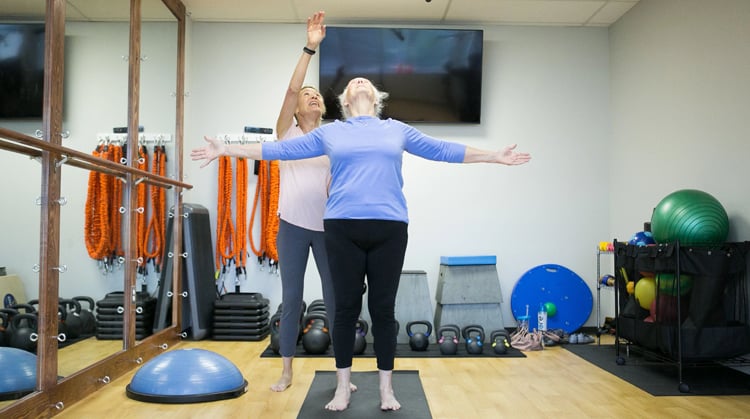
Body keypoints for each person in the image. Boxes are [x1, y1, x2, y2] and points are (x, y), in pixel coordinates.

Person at [191, 76, 531, 412]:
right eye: (354, 82)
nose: (359, 81)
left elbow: (442, 149)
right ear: (345, 100)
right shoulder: (332, 132)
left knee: (383, 311)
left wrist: (493, 156)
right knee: (345, 310)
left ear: (375, 97)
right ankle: (342, 387)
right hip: (341, 228)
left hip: (390, 227)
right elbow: (280, 149)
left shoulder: (396, 129)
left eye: (364, 81)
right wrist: (227, 149)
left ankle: (386, 389)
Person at [269, 11, 338, 393]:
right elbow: (291, 91)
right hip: (293, 227)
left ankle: (341, 371)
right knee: (292, 298)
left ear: (323, 108)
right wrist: (310, 47)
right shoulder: (287, 134)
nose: (310, 96)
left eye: (316, 95)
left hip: (329, 230)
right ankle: (286, 372)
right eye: (306, 95)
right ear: (296, 108)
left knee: (334, 298)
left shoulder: (334, 138)